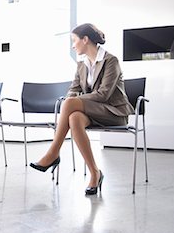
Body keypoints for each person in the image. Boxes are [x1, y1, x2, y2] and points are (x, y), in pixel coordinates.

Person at [29, 23, 134, 195]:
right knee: (74, 117)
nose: (73, 45)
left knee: (70, 103)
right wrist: (72, 98)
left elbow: (104, 95)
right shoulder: (81, 64)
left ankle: (53, 153)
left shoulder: (110, 61)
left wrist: (73, 100)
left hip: (113, 112)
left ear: (85, 40)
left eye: (74, 40)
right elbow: (74, 88)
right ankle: (95, 172)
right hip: (92, 112)